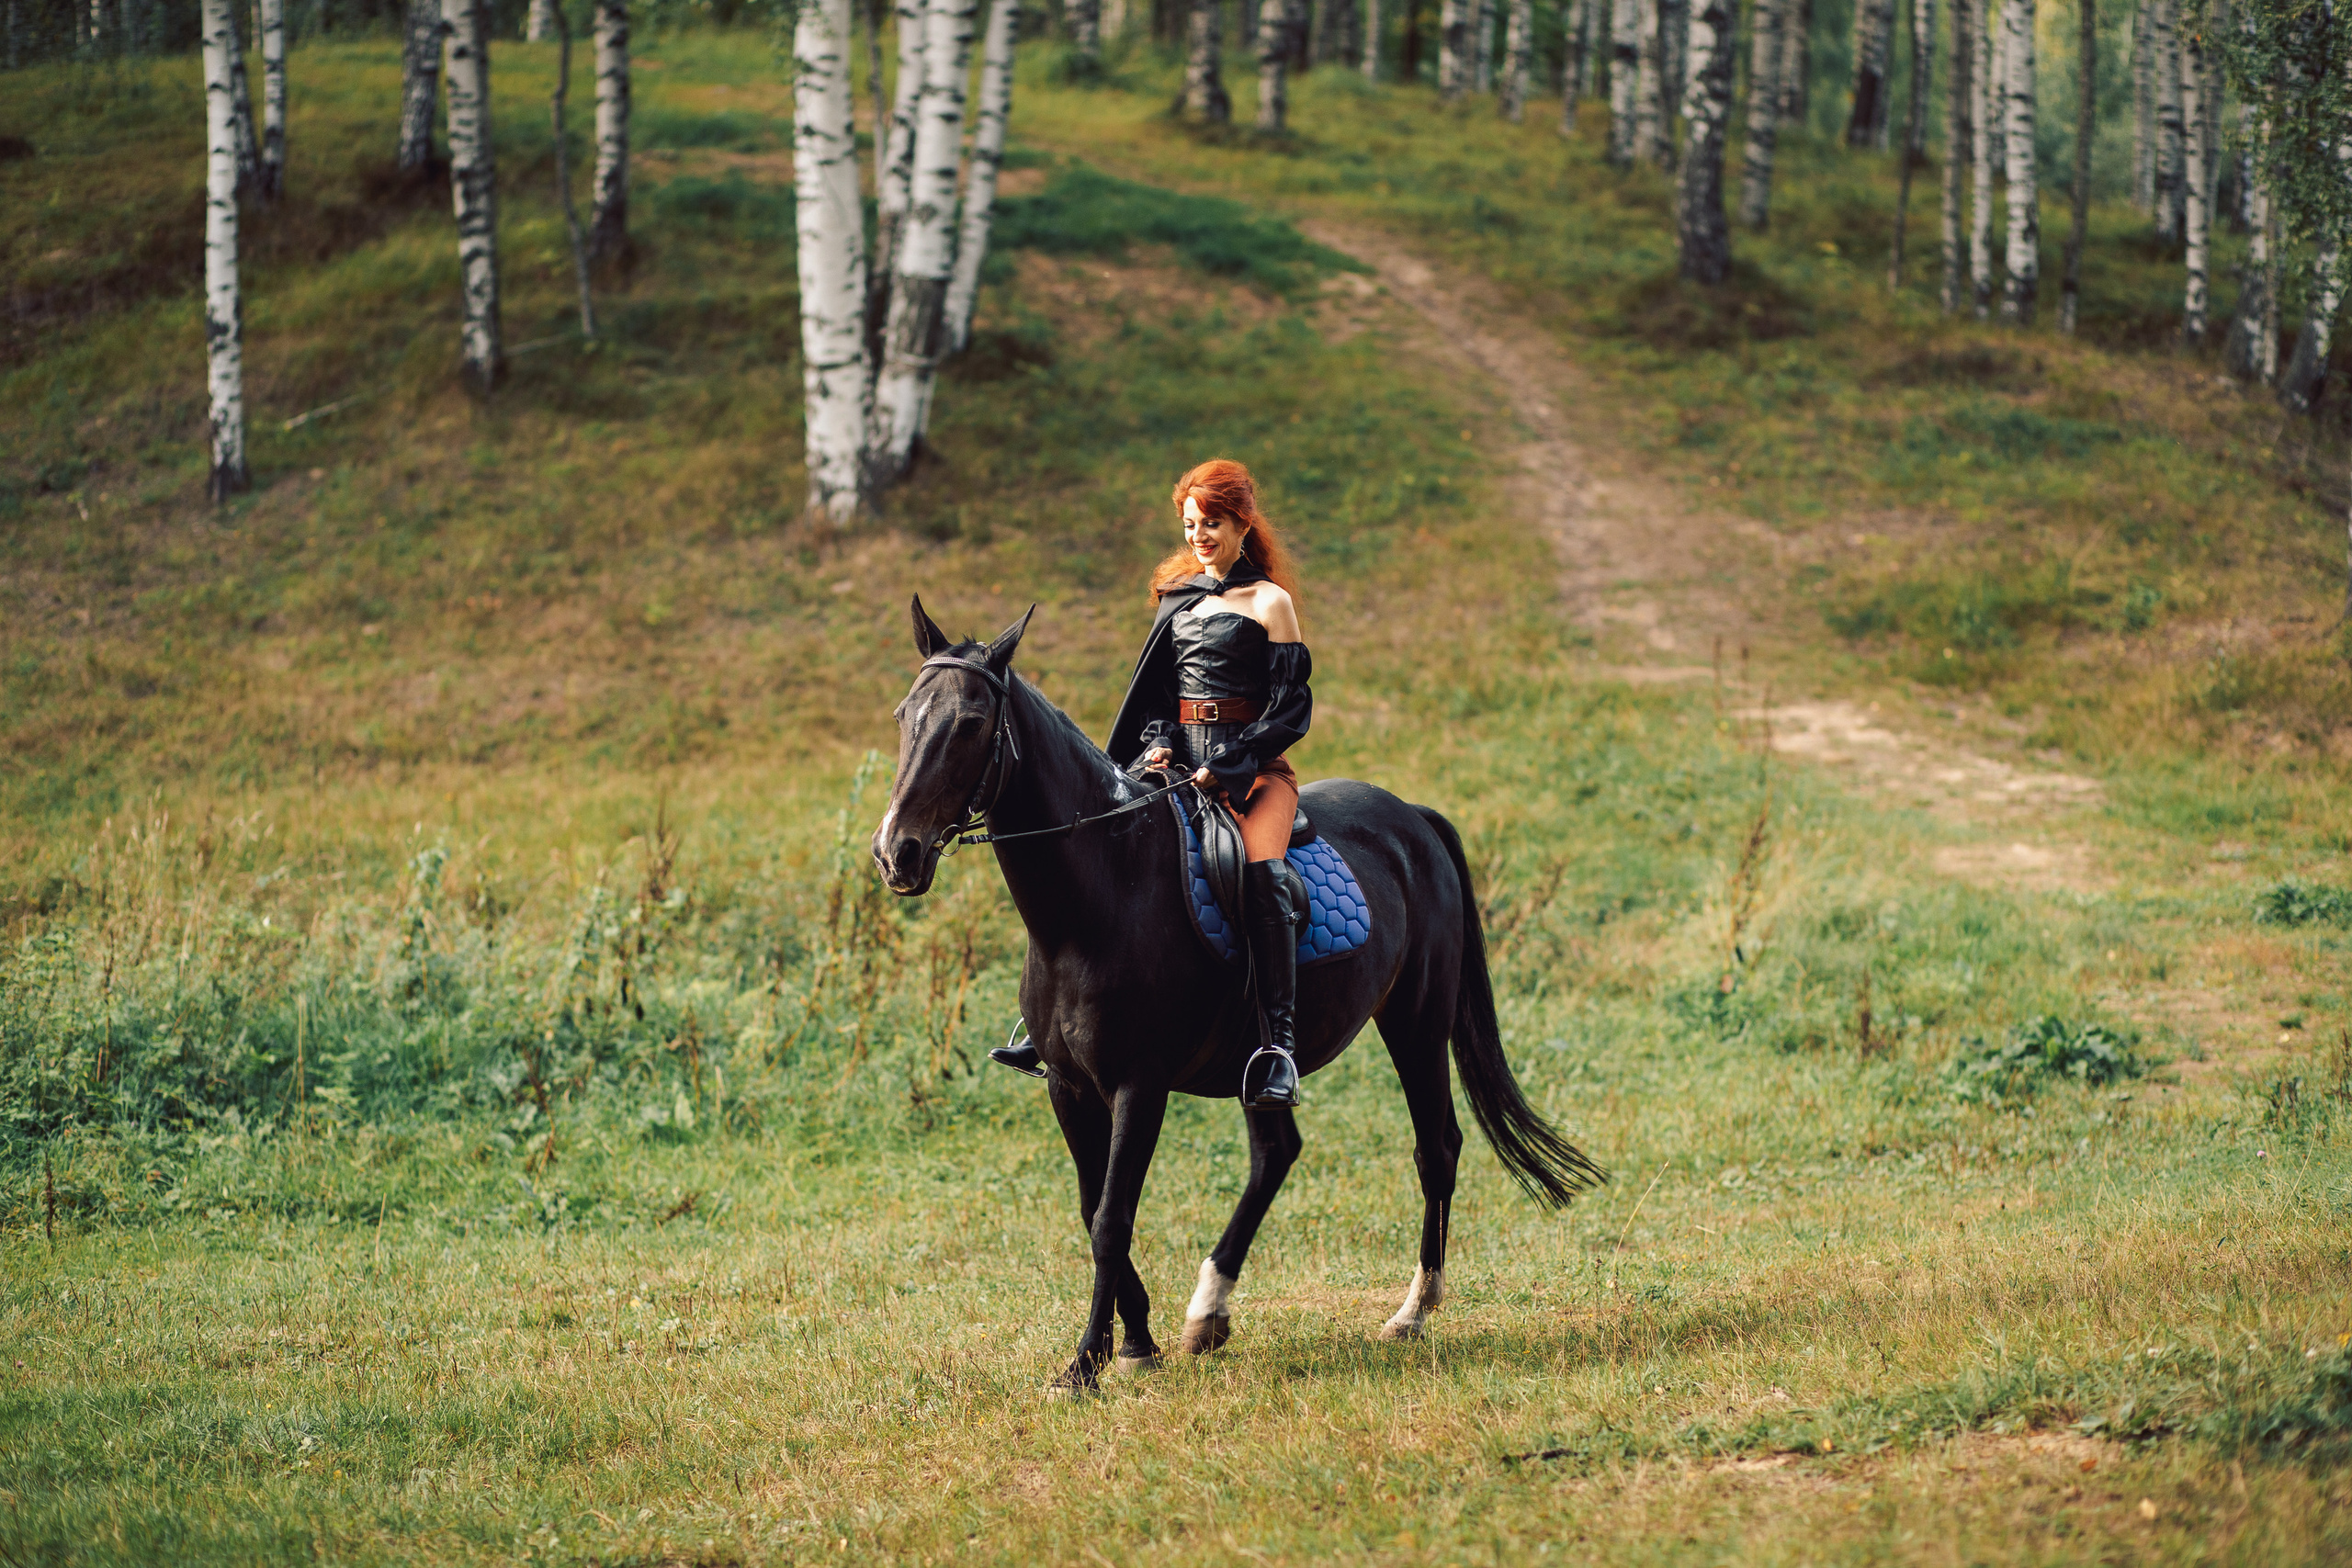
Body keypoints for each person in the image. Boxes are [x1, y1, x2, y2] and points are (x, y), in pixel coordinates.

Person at [990, 459, 1315, 1109]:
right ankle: (1048, 1020)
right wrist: (1160, 737)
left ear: (1242, 523)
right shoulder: (1179, 599)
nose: (1199, 535)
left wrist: (1230, 764)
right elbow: (1160, 693)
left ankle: (1277, 1044)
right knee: (1095, 842)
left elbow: (1290, 710)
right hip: (1176, 764)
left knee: (1258, 872)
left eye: (1212, 524)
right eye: (1191, 524)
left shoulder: (1269, 603)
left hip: (1253, 775)